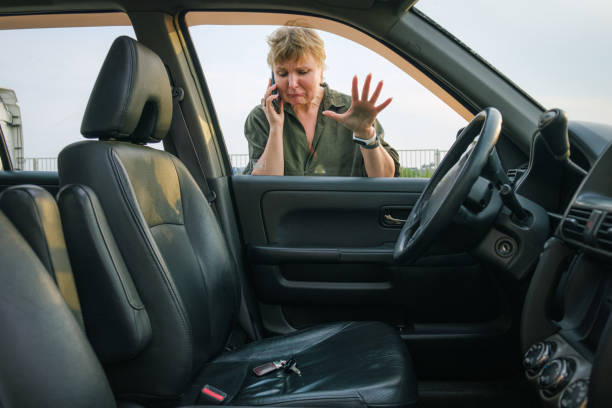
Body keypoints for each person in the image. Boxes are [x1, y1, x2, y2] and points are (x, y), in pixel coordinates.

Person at [243, 26, 400, 177]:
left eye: (302, 72)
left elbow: (384, 176)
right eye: (282, 73)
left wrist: (365, 133)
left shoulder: (352, 110)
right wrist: (275, 128)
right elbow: (263, 182)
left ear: (321, 70)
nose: (292, 84)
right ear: (273, 75)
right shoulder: (260, 117)